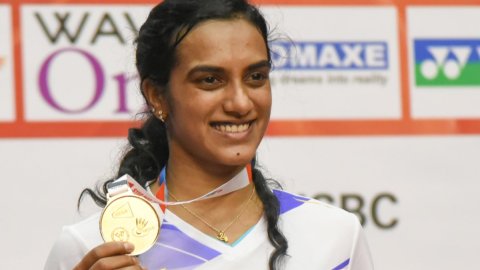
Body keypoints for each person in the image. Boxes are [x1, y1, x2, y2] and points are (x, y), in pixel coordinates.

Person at [44, 0, 374, 269]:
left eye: (256, 76)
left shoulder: (335, 237)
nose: (241, 102)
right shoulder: (92, 250)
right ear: (157, 97)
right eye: (210, 80)